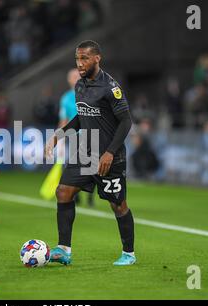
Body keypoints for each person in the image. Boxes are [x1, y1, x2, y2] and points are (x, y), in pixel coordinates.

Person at [45, 40, 136, 266]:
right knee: (63, 192)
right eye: (77, 59)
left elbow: (126, 121)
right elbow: (81, 117)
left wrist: (110, 153)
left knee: (118, 205)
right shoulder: (80, 86)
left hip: (109, 157)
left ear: (97, 58)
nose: (80, 63)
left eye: (84, 58)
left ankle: (129, 253)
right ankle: (64, 249)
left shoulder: (110, 87)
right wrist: (59, 134)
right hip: (84, 153)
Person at [59, 68, 95, 206]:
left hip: (90, 133)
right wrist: (60, 140)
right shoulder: (66, 98)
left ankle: (90, 198)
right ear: (69, 80)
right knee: (74, 166)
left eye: (77, 76)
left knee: (91, 166)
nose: (75, 79)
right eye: (73, 76)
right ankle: (77, 196)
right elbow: (63, 120)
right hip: (74, 136)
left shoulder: (90, 94)